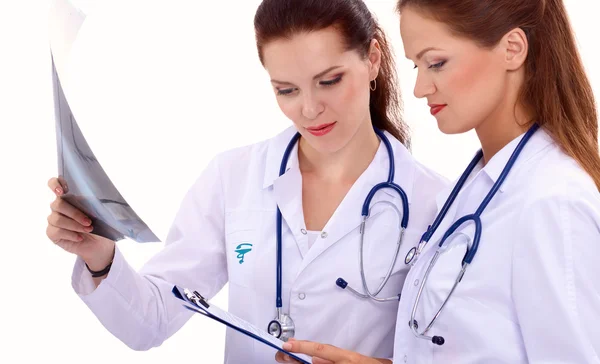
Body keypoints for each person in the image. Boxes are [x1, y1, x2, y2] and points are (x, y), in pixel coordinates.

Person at [45, 0, 448, 362]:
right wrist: (99, 260)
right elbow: (150, 322)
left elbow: (458, 349)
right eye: (286, 90)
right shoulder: (233, 178)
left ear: (373, 59)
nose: (310, 109)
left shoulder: (435, 203)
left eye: (330, 81)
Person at [278, 0, 600, 363]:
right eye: (417, 65)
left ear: (512, 49)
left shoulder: (553, 201)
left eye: (436, 63)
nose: (419, 88)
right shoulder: (477, 187)